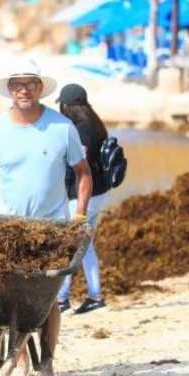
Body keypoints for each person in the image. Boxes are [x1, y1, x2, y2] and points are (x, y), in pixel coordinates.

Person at [0, 61, 92, 376]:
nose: (23, 89)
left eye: (30, 83)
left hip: (52, 229)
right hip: (6, 229)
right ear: (10, 89)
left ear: (40, 88)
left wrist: (80, 214)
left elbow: (83, 172)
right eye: (17, 84)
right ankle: (19, 361)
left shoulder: (62, 127)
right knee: (9, 295)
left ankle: (47, 363)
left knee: (48, 299)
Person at [55, 84, 109, 315]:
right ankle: (95, 296)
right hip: (100, 193)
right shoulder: (97, 125)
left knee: (68, 246)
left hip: (82, 197)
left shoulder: (79, 131)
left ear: (68, 106)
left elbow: (78, 168)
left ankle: (61, 301)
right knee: (85, 246)